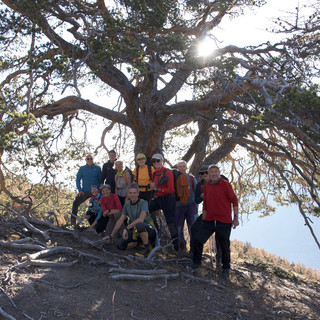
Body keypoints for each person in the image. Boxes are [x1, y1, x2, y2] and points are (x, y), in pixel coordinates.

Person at [192, 164, 239, 281]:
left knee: (224, 246)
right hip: (210, 220)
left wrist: (236, 217)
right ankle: (197, 262)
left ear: (219, 173)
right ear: (208, 174)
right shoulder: (206, 186)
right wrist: (204, 213)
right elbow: (206, 202)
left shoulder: (226, 185)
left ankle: (226, 269)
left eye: (215, 171)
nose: (213, 174)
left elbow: (234, 200)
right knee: (198, 239)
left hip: (224, 220)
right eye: (211, 172)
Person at [104, 184, 157, 258]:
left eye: (134, 193)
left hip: (149, 229)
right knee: (120, 245)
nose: (132, 195)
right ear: (127, 194)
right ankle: (139, 242)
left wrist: (126, 228)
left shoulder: (143, 202)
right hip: (136, 231)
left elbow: (141, 219)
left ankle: (147, 249)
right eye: (130, 193)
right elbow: (120, 220)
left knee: (140, 225)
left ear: (138, 193)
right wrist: (111, 235)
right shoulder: (127, 204)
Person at [191, 164, 223, 267]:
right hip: (207, 212)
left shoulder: (221, 181)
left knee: (220, 235)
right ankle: (194, 253)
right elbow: (196, 200)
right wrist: (201, 196)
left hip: (220, 213)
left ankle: (219, 258)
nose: (204, 175)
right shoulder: (199, 185)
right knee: (194, 228)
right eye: (202, 173)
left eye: (206, 172)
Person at [149, 153, 179, 252]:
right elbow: (155, 188)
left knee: (171, 222)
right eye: (154, 161)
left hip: (169, 199)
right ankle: (152, 236)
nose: (156, 163)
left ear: (162, 161)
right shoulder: (154, 173)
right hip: (159, 199)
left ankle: (175, 247)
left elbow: (171, 190)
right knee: (146, 211)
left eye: (158, 160)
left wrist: (157, 188)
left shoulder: (168, 172)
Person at [71, 154, 101, 225]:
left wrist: (100, 191)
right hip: (85, 191)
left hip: (96, 191)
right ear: (86, 160)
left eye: (91, 159)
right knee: (75, 203)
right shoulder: (82, 168)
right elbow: (78, 179)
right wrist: (79, 190)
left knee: (98, 207)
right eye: (88, 159)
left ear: (93, 159)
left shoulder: (97, 168)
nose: (89, 160)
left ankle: (97, 225)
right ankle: (73, 223)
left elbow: (100, 180)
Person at [175, 160, 198, 251]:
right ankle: (182, 246)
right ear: (177, 168)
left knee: (192, 227)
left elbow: (196, 193)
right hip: (178, 206)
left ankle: (194, 248)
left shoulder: (192, 178)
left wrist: (196, 206)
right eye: (180, 166)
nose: (182, 168)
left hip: (191, 206)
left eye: (184, 166)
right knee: (178, 227)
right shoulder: (174, 178)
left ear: (186, 168)